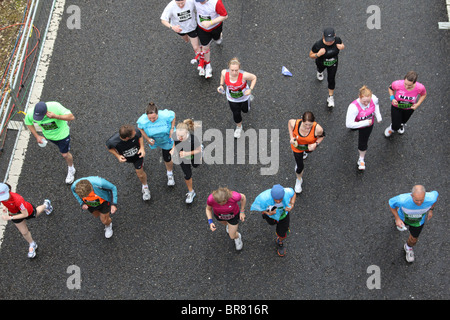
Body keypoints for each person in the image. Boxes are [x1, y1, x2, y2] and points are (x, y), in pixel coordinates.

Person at [24, 101, 76, 184]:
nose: (39, 119)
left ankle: (71, 168)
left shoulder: (55, 106)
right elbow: (28, 123)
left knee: (65, 154)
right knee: (62, 150)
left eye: (41, 116)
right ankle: (63, 120)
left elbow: (72, 117)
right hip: (49, 136)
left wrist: (56, 116)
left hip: (62, 135)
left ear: (46, 111)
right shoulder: (31, 113)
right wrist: (37, 136)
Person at [0, 183, 53, 258]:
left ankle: (46, 205)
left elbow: (25, 214)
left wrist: (10, 218)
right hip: (14, 214)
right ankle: (32, 244)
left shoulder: (18, 200)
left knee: (37, 213)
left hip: (27, 211)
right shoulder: (2, 197)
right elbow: (5, 202)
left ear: (8, 192)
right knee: (24, 232)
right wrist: (6, 207)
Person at [389, 185, 438, 263]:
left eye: (421, 200)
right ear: (411, 196)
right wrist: (397, 219)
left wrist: (431, 210)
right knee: (398, 225)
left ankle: (408, 247)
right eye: (416, 200)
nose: (419, 203)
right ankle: (398, 218)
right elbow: (391, 204)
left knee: (414, 240)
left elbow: (435, 198)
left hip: (418, 222)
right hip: (403, 219)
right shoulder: (402, 199)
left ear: (425, 195)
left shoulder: (431, 198)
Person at [106, 125, 150, 201]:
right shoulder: (112, 141)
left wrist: (142, 148)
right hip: (128, 158)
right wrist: (118, 156)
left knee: (140, 174)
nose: (135, 132)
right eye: (134, 133)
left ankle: (145, 187)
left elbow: (140, 136)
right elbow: (109, 148)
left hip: (138, 156)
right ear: (127, 138)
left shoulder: (136, 131)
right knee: (137, 168)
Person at [137, 102, 176, 187]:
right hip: (155, 140)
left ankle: (169, 173)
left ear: (157, 114)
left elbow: (173, 116)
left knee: (167, 157)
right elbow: (140, 128)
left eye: (154, 118)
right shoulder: (142, 120)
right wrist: (147, 139)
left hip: (166, 140)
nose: (152, 120)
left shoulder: (165, 115)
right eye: (149, 118)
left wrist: (172, 128)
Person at [250, 184, 296, 257]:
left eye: (280, 199)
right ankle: (266, 216)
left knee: (283, 233)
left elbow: (293, 193)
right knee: (271, 222)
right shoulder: (264, 198)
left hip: (283, 216)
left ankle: (280, 241)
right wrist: (267, 212)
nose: (278, 201)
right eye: (275, 199)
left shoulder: (287, 192)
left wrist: (292, 204)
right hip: (271, 214)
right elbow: (260, 208)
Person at [217, 57, 257, 138]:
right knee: (236, 113)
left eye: (236, 70)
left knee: (245, 111)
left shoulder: (244, 75)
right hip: (232, 98)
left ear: (239, 69)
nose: (234, 72)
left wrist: (250, 89)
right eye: (232, 70)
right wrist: (221, 85)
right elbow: (222, 75)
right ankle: (239, 127)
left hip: (244, 97)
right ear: (229, 68)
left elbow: (254, 78)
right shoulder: (224, 72)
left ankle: (249, 100)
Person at [345, 85, 382, 170]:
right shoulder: (353, 107)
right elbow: (348, 124)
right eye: (364, 101)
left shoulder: (374, 98)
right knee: (353, 128)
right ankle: (354, 129)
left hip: (368, 125)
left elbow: (376, 106)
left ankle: (361, 159)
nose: (366, 104)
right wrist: (364, 122)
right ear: (359, 97)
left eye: (368, 101)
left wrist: (378, 115)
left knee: (363, 142)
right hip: (357, 122)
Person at [288, 111, 325, 193]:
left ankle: (305, 153)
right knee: (300, 166)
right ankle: (299, 179)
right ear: (302, 120)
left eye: (310, 124)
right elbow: (289, 123)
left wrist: (316, 144)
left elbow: (322, 136)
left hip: (308, 147)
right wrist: (291, 137)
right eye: (306, 124)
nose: (308, 127)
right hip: (297, 147)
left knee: (307, 153)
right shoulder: (295, 123)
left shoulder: (318, 129)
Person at [309, 27, 345, 108]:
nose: (330, 42)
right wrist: (318, 54)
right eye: (327, 40)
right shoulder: (318, 44)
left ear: (334, 36)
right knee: (320, 69)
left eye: (331, 40)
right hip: (321, 63)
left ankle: (330, 97)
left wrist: (342, 47)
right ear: (323, 37)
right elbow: (311, 55)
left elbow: (342, 44)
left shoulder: (337, 40)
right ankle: (320, 72)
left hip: (333, 63)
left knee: (331, 79)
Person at [384, 71, 427, 137]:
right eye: (405, 84)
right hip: (397, 107)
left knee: (404, 120)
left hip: (409, 108)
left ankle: (401, 125)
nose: (406, 87)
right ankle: (392, 128)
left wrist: (417, 104)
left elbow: (423, 94)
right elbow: (390, 88)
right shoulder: (397, 84)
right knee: (395, 124)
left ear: (414, 82)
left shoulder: (420, 88)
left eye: (409, 85)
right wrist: (392, 98)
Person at [193, 0, 228, 78]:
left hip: (215, 27)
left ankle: (218, 37)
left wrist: (210, 23)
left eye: (202, 1)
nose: (200, 3)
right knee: (205, 47)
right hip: (202, 29)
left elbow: (225, 15)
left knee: (217, 39)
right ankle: (208, 66)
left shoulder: (216, 2)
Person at [171, 119, 203, 203]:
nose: (180, 137)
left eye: (182, 136)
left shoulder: (193, 139)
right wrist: (173, 149)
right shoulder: (175, 135)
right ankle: (191, 192)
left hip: (194, 154)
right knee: (187, 175)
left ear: (187, 133)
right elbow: (174, 142)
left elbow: (198, 150)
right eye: (178, 135)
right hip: (182, 157)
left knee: (196, 165)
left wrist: (187, 153)